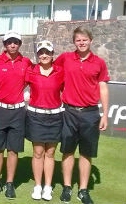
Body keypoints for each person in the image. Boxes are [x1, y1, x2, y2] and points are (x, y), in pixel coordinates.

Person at [54, 27, 109, 204]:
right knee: (68, 151)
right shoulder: (66, 58)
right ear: (74, 42)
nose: (82, 42)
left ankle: (83, 190)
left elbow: (103, 87)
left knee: (86, 153)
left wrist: (105, 114)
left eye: (85, 39)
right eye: (78, 40)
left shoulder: (99, 62)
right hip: (69, 111)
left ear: (90, 40)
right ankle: (67, 187)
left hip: (90, 113)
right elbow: (52, 73)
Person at [0, 30, 32, 199]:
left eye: (15, 42)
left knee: (13, 149)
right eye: (9, 42)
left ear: (19, 44)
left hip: (18, 111)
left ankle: (9, 183)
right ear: (4, 45)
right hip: (0, 110)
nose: (12, 45)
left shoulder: (26, 62)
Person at [25, 40, 64, 201]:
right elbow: (17, 86)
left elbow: (68, 89)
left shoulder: (60, 71)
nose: (44, 55)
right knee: (38, 152)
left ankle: (48, 187)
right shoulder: (31, 71)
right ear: (37, 54)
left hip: (55, 116)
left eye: (47, 52)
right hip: (36, 116)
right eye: (41, 52)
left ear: (52, 54)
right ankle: (38, 186)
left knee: (50, 152)